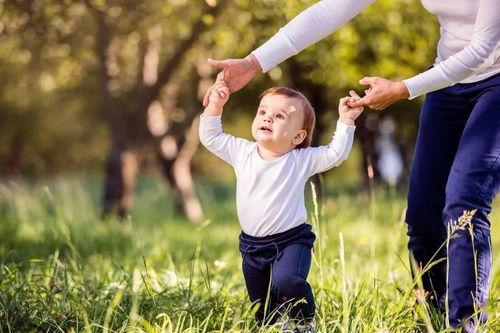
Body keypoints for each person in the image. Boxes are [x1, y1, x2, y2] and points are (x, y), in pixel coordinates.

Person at [203, 1, 500, 330]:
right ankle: (431, 320)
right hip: (447, 82)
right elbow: (333, 8)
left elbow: (482, 48)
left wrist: (404, 88)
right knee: (423, 214)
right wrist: (252, 63)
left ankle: (464, 324)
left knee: (464, 201)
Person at [199, 81, 363, 331]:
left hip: (291, 241)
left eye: (279, 116)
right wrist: (215, 105)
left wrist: (346, 122)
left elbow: (335, 154)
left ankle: (303, 322)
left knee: (288, 283)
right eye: (263, 112)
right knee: (262, 309)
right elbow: (210, 137)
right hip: (252, 245)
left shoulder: (299, 160)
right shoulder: (241, 152)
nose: (267, 119)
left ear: (298, 136)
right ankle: (275, 325)